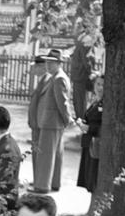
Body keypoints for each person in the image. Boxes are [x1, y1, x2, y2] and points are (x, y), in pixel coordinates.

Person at [34, 49, 72, 194]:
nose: (48, 65)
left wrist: (67, 119)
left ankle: (42, 186)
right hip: (53, 122)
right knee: (55, 154)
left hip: (52, 122)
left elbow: (63, 103)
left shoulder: (58, 79)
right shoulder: (55, 77)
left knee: (46, 155)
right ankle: (54, 183)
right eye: (47, 62)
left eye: (52, 62)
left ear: (59, 63)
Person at [76, 73, 103, 194]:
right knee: (88, 176)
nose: (100, 87)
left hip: (97, 143)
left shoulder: (106, 103)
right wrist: (82, 123)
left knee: (94, 178)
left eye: (103, 85)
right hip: (89, 142)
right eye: (98, 84)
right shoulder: (95, 100)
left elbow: (105, 126)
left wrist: (89, 128)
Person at [27, 54, 51, 179]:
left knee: (39, 154)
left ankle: (39, 180)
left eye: (35, 66)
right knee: (36, 153)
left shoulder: (46, 80)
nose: (33, 69)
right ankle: (36, 179)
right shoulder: (41, 80)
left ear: (42, 67)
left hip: (39, 123)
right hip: (35, 123)